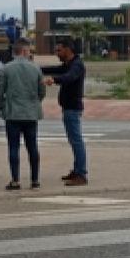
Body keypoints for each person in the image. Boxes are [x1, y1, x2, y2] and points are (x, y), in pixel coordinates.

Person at [0, 37, 45, 191]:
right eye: (29, 50)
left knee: (13, 147)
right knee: (32, 147)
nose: (30, 53)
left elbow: (0, 92)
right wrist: (35, 102)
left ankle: (15, 180)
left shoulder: (6, 68)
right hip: (31, 114)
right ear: (24, 51)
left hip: (13, 114)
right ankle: (35, 179)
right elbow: (42, 91)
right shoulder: (36, 68)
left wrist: (3, 108)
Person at [43, 37, 88, 185]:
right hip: (68, 108)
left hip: (72, 109)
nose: (57, 53)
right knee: (73, 140)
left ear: (68, 49)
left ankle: (81, 174)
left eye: (59, 50)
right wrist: (36, 68)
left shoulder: (77, 65)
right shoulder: (68, 64)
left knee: (76, 141)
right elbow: (55, 69)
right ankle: (77, 170)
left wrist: (54, 80)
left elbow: (69, 77)